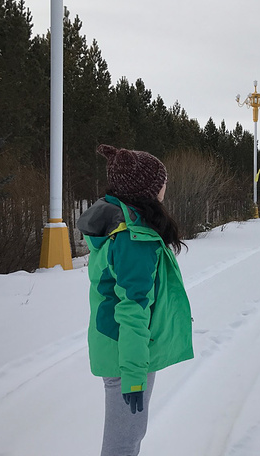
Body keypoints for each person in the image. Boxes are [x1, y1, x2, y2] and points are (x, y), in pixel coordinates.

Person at [77, 144, 193, 456]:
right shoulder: (133, 238)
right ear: (146, 189)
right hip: (126, 353)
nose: (165, 186)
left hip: (120, 348)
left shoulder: (122, 226)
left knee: (126, 439)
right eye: (162, 181)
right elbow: (132, 311)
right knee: (123, 443)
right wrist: (133, 377)